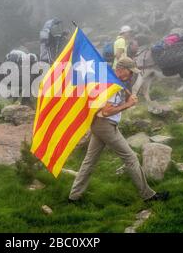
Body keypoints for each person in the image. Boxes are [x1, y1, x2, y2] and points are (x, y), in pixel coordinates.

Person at [68, 58, 169, 204]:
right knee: (131, 158)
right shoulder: (113, 85)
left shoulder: (112, 82)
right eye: (130, 71)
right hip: (105, 124)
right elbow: (107, 111)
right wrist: (127, 105)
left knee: (89, 161)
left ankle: (74, 197)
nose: (131, 75)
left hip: (98, 123)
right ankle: (148, 196)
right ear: (120, 69)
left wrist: (126, 99)